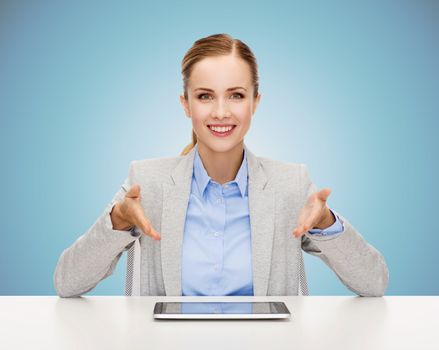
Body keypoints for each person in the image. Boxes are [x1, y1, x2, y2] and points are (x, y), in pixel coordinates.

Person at [54, 33, 389, 298]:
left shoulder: (290, 184)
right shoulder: (147, 182)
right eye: (204, 96)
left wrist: (327, 223)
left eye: (236, 95)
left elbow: (374, 282)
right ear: (185, 104)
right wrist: (118, 221)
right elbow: (67, 283)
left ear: (255, 102)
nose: (220, 112)